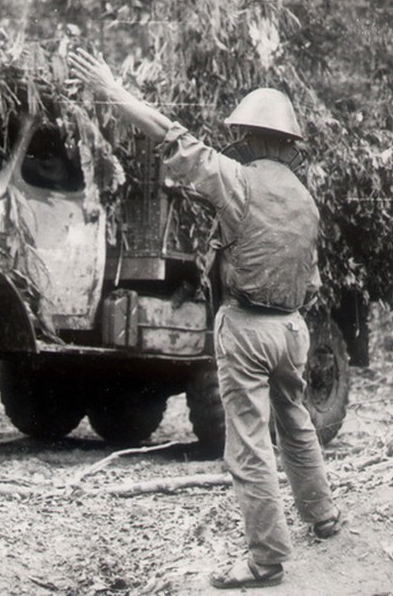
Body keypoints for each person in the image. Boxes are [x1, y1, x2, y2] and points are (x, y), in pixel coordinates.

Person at [68, 48, 341, 590]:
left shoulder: (236, 179)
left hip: (248, 328)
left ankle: (266, 561)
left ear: (252, 138)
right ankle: (323, 515)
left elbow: (170, 135)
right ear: (289, 143)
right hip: (293, 331)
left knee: (249, 444)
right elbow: (310, 280)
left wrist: (115, 90)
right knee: (295, 420)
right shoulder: (307, 201)